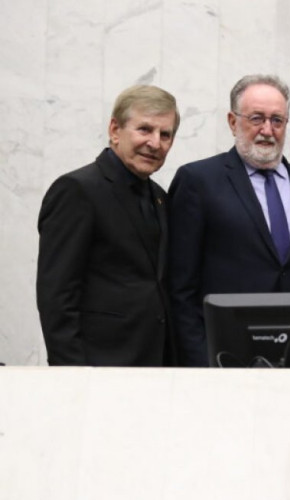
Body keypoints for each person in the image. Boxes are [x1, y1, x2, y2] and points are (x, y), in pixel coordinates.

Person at [168, 74, 290, 367]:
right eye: (256, 118)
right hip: (223, 355)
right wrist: (199, 361)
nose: (267, 130)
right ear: (233, 122)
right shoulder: (198, 181)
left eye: (277, 120)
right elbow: (180, 286)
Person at [37, 85, 180, 366]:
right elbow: (57, 296)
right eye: (145, 129)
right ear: (115, 130)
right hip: (99, 367)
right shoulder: (77, 190)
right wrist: (73, 374)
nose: (155, 143)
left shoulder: (160, 197)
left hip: (157, 366)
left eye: (165, 135)